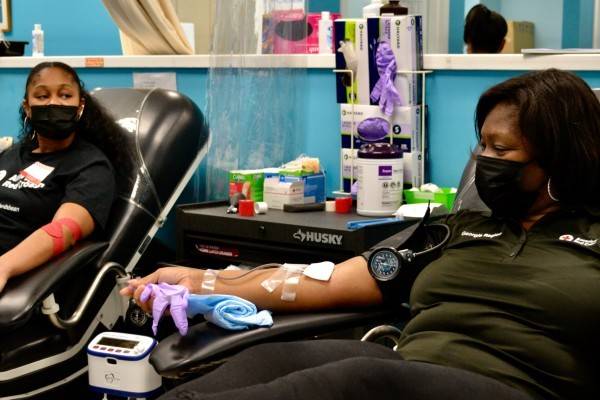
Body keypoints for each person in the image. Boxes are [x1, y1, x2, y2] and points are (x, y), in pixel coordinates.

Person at [122, 69, 600, 400]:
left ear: (559, 159)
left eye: (502, 149)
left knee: (360, 380)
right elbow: (330, 278)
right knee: (271, 362)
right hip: (411, 372)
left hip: (518, 387)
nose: (483, 161)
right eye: (481, 145)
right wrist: (200, 280)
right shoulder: (456, 230)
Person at [0, 61, 128, 293]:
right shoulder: (13, 153)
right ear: (27, 108)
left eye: (65, 95)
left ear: (79, 107)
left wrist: (3, 267)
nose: (54, 102)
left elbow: (65, 229)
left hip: (17, 278)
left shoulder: (91, 166)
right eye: (42, 96)